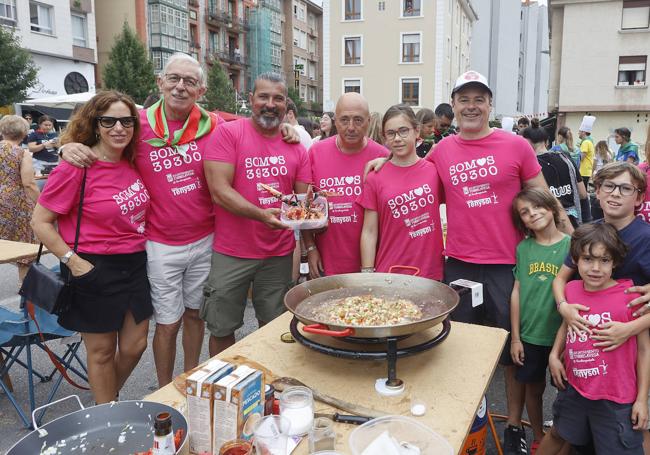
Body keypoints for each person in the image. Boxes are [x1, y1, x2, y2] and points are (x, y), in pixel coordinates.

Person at [59, 54, 299, 388]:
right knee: (168, 324)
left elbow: (261, 121)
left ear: (201, 90)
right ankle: (164, 386)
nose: (180, 87)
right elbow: (97, 142)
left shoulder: (213, 123)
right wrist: (67, 147)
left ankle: (191, 381)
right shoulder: (137, 124)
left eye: (189, 82)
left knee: (195, 316)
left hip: (205, 238)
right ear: (160, 83)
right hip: (159, 241)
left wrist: (288, 126)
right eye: (173, 79)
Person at [367, 71, 572, 454]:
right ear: (455, 104)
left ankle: (512, 425)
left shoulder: (515, 146)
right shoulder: (442, 151)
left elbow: (543, 197)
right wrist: (381, 162)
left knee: (513, 351)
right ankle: (464, 419)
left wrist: (572, 239)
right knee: (458, 348)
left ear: (490, 105)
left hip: (508, 265)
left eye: (479, 99)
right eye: (464, 99)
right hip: (459, 264)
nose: (472, 106)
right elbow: (410, 170)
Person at [31, 91, 153, 404]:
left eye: (126, 121)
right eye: (108, 120)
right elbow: (40, 222)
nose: (119, 128)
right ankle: (107, 413)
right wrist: (74, 262)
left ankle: (107, 397)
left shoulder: (131, 160)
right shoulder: (76, 166)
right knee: (100, 352)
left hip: (136, 264)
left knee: (134, 345)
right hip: (92, 266)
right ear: (95, 124)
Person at [202, 72, 311, 356]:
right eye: (263, 96)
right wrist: (261, 214)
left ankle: (270, 383)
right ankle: (224, 383)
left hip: (277, 254)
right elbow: (219, 192)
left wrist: (309, 214)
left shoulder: (296, 145)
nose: (270, 104)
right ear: (251, 100)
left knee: (274, 325)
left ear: (287, 105)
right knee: (222, 326)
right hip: (232, 252)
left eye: (278, 98)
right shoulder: (228, 133)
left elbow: (302, 200)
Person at [539, 222, 650, 454]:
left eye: (604, 260)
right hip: (574, 390)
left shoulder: (630, 296)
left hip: (616, 398)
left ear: (615, 262)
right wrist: (554, 355)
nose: (595, 268)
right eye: (588, 259)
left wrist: (641, 400)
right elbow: (567, 325)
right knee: (559, 433)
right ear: (575, 260)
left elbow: (644, 350)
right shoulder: (572, 290)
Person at [509, 188, 570, 453]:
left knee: (566, 392)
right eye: (525, 211)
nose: (532, 213)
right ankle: (537, 436)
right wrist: (515, 337)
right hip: (530, 335)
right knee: (533, 390)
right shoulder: (524, 248)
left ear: (552, 207)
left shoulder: (572, 244)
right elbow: (517, 292)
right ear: (521, 220)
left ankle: (565, 439)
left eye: (537, 207)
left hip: (564, 336)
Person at [303, 92, 388, 278]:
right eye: (344, 120)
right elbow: (304, 206)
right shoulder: (315, 152)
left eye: (358, 120)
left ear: (369, 120)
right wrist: (310, 248)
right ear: (335, 121)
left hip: (373, 264)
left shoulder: (382, 157)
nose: (351, 127)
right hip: (327, 262)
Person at [359, 104, 443, 279]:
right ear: (385, 137)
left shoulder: (435, 171)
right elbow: (369, 231)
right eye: (391, 133)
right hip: (390, 273)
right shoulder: (375, 177)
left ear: (417, 131)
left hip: (430, 273)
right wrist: (367, 274)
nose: (397, 138)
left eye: (403, 131)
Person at [522, 119, 588, 227]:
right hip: (572, 223)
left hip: (545, 226)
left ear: (525, 143)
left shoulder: (528, 167)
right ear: (547, 141)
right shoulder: (566, 159)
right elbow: (582, 194)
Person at [0, 115, 40, 281]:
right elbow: (29, 183)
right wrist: (42, 203)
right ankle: (25, 292)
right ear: (23, 133)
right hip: (15, 202)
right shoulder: (22, 153)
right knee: (24, 249)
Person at [577, 115, 596, 188]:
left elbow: (580, 158)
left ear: (584, 132)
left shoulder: (585, 142)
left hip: (583, 172)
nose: (578, 133)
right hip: (586, 171)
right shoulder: (589, 141)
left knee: (582, 192)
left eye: (579, 131)